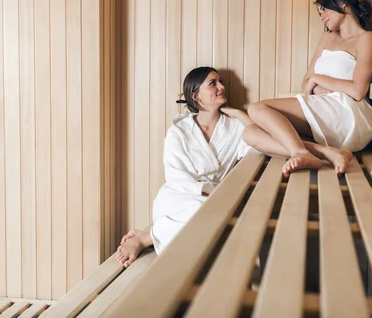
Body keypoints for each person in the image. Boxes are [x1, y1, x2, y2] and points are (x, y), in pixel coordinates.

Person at [116, 66, 353, 266]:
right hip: (180, 198)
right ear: (195, 95)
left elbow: (263, 140)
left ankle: (150, 236)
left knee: (218, 220)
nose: (221, 86)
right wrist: (212, 194)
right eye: (212, 83)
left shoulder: (233, 127)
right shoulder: (178, 131)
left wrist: (242, 116)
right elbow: (178, 178)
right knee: (210, 215)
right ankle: (147, 237)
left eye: (220, 82)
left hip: (217, 199)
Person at [246, 0, 372, 176]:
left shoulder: (366, 38)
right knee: (250, 133)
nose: (322, 16)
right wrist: (318, 88)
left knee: (256, 109)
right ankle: (326, 152)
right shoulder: (328, 38)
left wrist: (318, 79)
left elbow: (358, 91)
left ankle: (300, 152)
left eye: (324, 9)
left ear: (343, 4)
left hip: (347, 113)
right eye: (319, 13)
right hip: (323, 106)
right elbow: (306, 83)